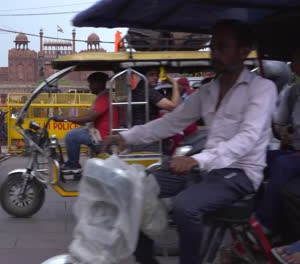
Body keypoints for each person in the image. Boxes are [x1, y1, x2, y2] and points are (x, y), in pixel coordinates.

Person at [103, 19, 277, 264]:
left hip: (240, 172)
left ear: (243, 50)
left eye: (222, 47)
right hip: (207, 167)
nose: (214, 54)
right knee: (135, 190)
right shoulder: (208, 91)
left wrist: (195, 159)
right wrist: (125, 137)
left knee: (186, 206)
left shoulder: (262, 88)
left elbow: (247, 139)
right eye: (212, 47)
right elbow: (171, 122)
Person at [256, 48, 300, 238]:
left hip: (295, 156)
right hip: (294, 150)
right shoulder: (293, 91)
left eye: (296, 60)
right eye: (291, 60)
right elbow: (279, 122)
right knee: (257, 158)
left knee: (283, 163)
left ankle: (264, 223)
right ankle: (254, 210)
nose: (291, 64)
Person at [54, 72, 119, 174]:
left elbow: (89, 117)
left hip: (102, 135)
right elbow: (89, 118)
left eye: (91, 83)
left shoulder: (104, 98)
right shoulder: (103, 97)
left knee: (71, 136)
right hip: (98, 131)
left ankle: (73, 165)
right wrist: (72, 119)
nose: (89, 86)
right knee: (75, 132)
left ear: (99, 83)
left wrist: (65, 118)